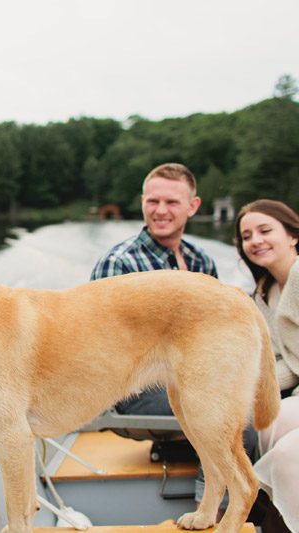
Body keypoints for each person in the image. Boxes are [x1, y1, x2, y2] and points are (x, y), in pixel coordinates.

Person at [90, 162, 257, 509]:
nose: (161, 211)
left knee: (245, 402)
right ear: (142, 202)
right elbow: (99, 354)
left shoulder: (201, 261)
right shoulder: (119, 264)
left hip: (194, 381)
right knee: (240, 417)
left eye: (172, 202)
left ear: (193, 206)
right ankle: (215, 509)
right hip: (135, 388)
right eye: (153, 201)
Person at [234, 199, 299, 531]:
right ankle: (274, 517)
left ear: (293, 236)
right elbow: (280, 362)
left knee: (288, 454)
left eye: (265, 230)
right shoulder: (263, 293)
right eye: (246, 236)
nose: (255, 241)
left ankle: (258, 508)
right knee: (265, 420)